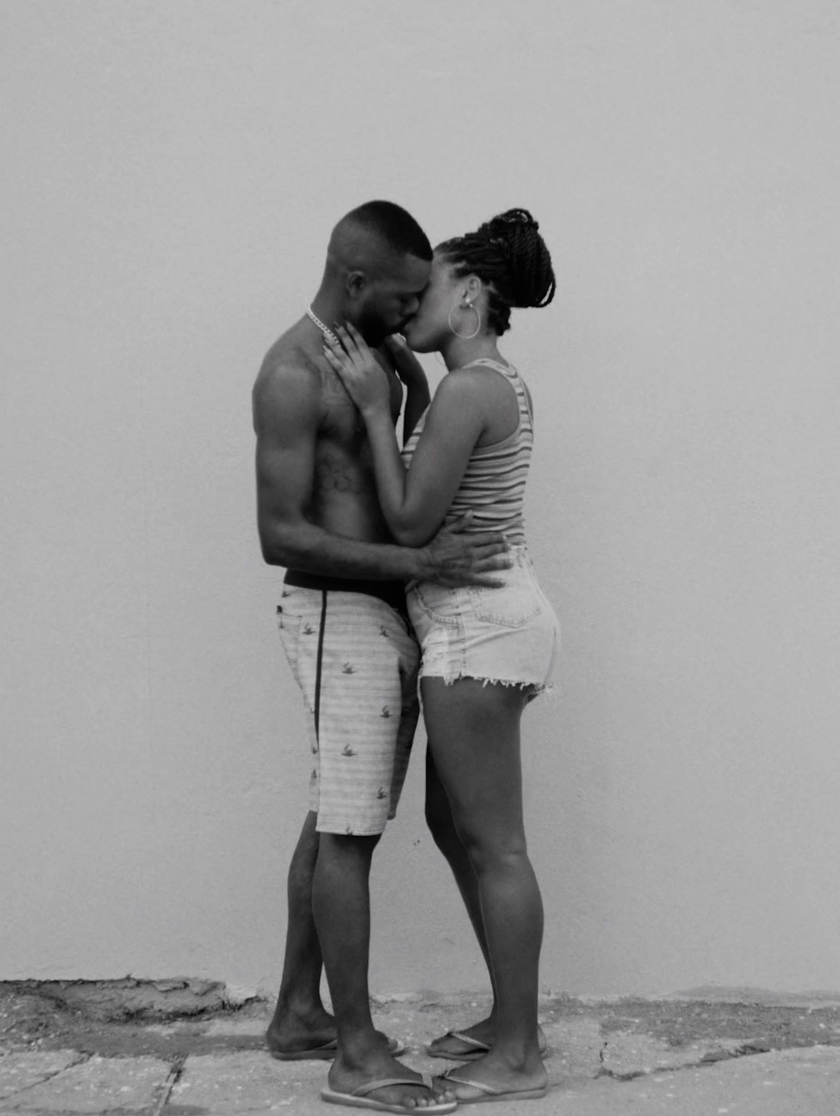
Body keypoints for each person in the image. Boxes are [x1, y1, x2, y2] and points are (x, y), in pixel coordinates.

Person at [253, 200, 510, 1113]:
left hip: (381, 610)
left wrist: (404, 380)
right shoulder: (291, 373)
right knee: (351, 834)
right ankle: (355, 1051)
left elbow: (395, 473)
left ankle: (297, 1014)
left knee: (333, 816)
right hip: (333, 615)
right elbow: (279, 534)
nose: (413, 315)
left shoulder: (380, 359)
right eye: (401, 298)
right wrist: (419, 563)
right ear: (355, 282)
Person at [322, 209, 560, 1106]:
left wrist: (379, 413)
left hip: (478, 630)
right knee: (457, 829)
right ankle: (510, 1021)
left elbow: (411, 522)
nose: (413, 300)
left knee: (495, 846)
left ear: (469, 297)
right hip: (483, 621)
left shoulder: (470, 389)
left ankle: (521, 1054)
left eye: (430, 287)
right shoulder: (482, 383)